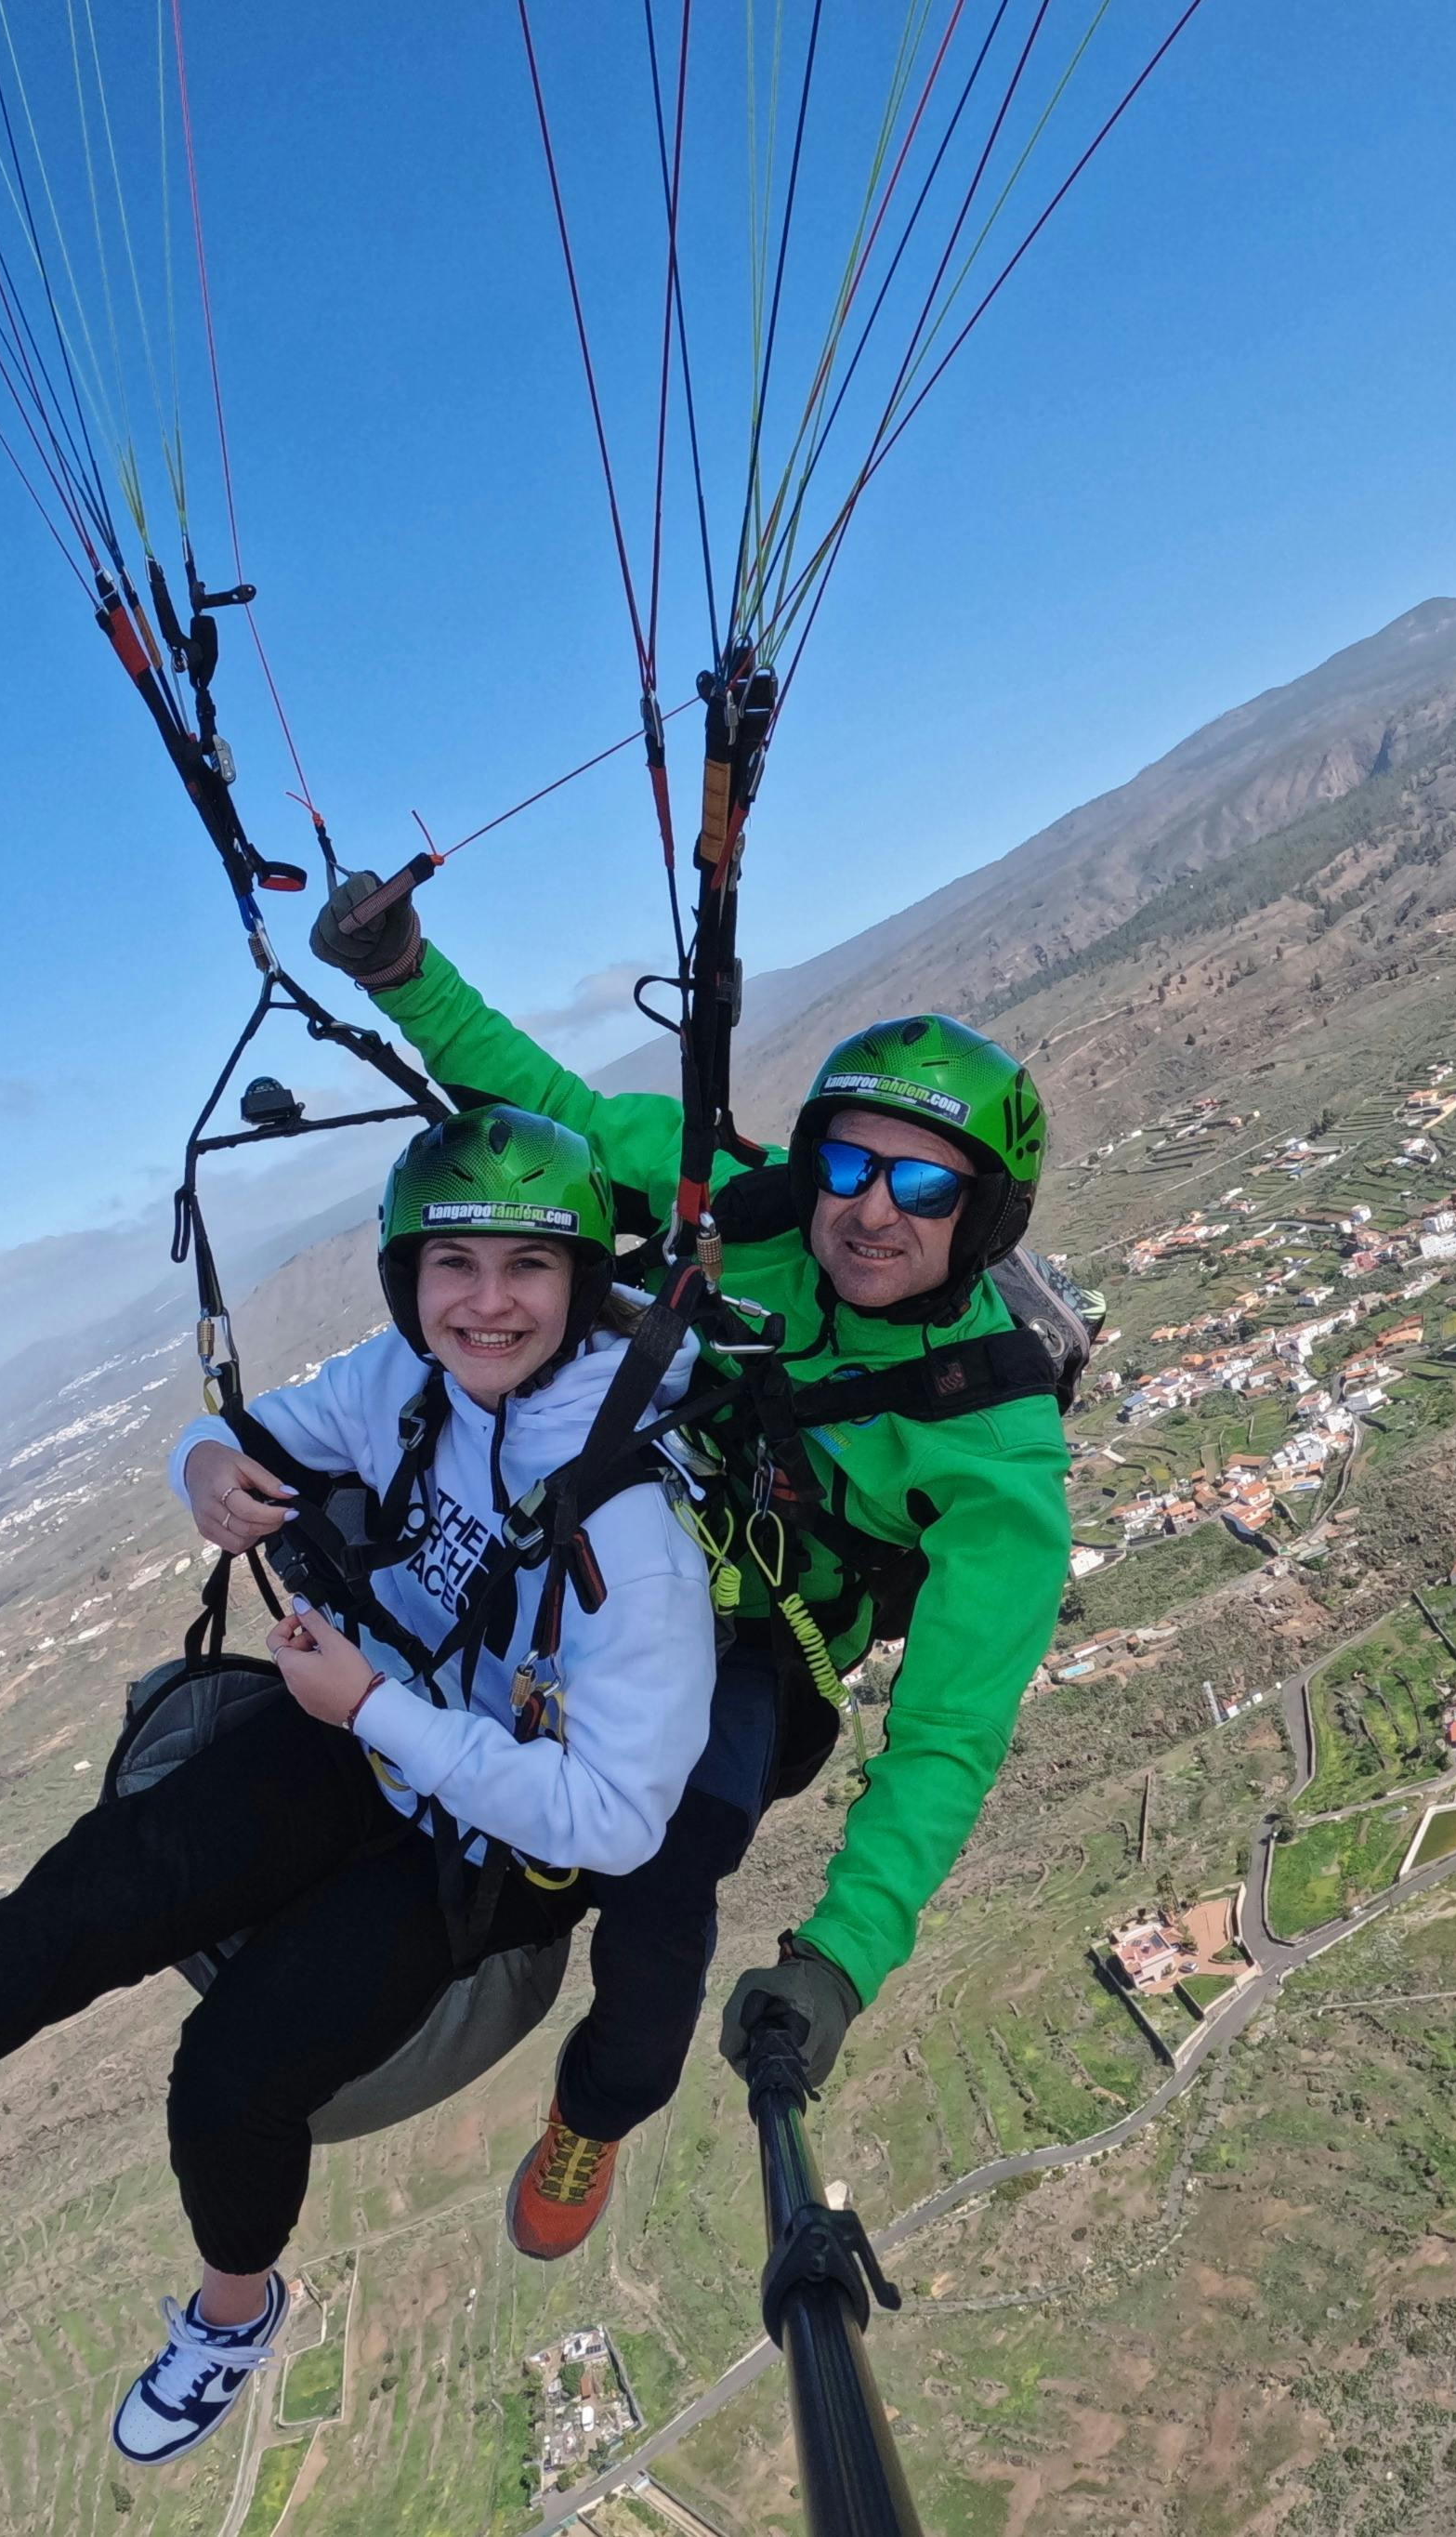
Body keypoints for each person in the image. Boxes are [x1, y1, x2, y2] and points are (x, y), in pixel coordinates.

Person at [0, 1107, 714, 2466]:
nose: (486, 1302)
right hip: (354, 1734)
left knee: (228, 2077)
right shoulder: (409, 1387)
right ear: (406, 1281)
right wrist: (209, 1475)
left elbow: (614, 1817)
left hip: (481, 1848)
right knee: (83, 1899)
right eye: (451, 1265)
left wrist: (371, 1704)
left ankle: (233, 2316)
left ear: (582, 1281)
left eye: (526, 1267)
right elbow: (247, 1433)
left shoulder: (629, 1529)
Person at [309, 874, 1071, 2262]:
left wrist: (840, 1960)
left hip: (758, 1648)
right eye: (850, 1164)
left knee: (663, 1886)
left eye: (924, 1184)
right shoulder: (748, 1213)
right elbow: (558, 1119)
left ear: (986, 1214)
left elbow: (950, 1737)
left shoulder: (995, 1454)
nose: (871, 1212)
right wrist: (406, 972)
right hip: (615, 1529)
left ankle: (599, 2101)